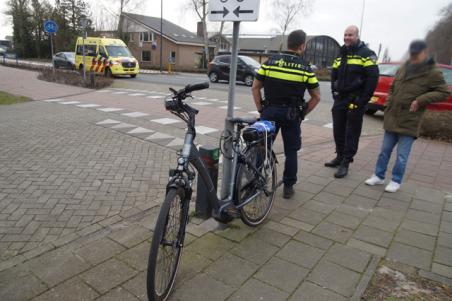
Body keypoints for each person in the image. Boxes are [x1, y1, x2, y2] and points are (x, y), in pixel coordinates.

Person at [365, 40, 450, 192]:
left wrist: (420, 100)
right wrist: (388, 104)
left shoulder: (432, 72)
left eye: (417, 54)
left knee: (402, 156)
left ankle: (396, 181)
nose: (413, 57)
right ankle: (379, 176)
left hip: (410, 119)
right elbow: (393, 87)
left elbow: (443, 92)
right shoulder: (404, 67)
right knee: (384, 151)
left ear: (424, 53)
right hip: (393, 116)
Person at [252, 29, 321, 199]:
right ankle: (288, 186)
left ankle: (254, 183)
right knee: (291, 151)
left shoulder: (269, 63)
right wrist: (303, 113)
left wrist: (261, 109)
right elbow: (316, 96)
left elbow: (255, 87)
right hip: (291, 115)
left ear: (288, 43)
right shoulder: (305, 68)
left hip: (270, 112)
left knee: (263, 147)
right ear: (302, 46)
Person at [325, 25, 379, 178]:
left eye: (350, 35)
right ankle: (339, 156)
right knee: (338, 130)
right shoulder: (341, 53)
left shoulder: (367, 54)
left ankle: (346, 162)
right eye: (345, 34)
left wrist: (362, 100)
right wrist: (334, 91)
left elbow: (372, 79)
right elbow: (334, 75)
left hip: (355, 100)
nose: (347, 37)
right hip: (340, 99)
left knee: (351, 132)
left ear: (357, 36)